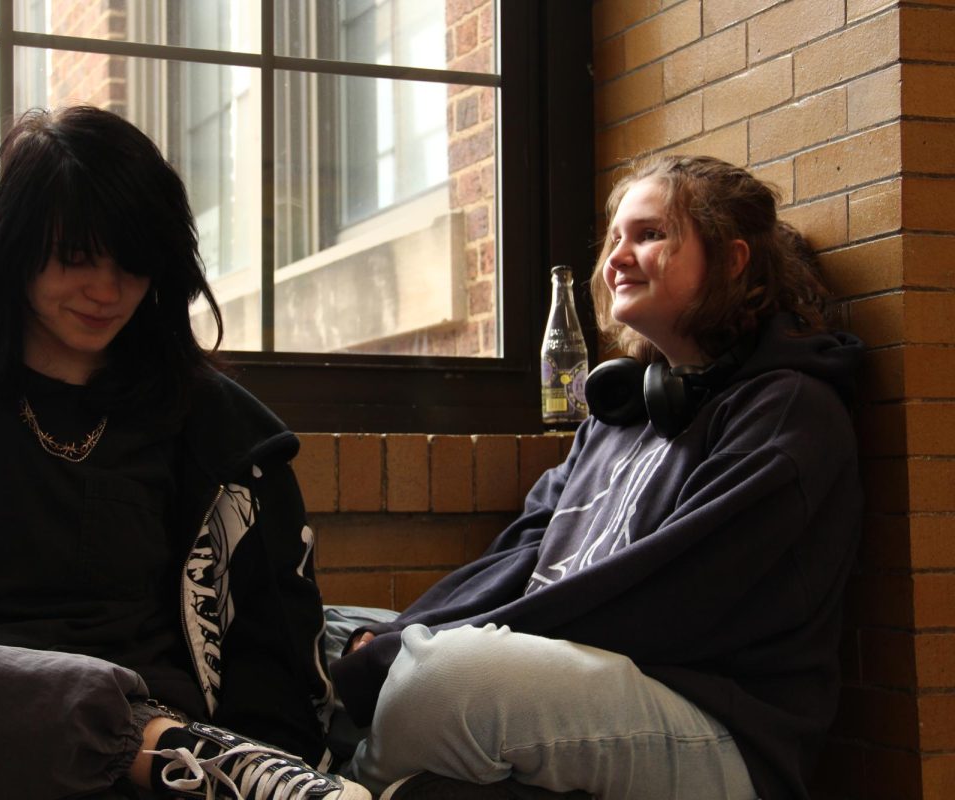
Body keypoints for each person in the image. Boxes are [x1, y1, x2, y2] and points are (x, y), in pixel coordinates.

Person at [0, 105, 369, 800]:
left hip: (161, 771)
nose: (106, 291)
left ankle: (147, 743)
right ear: (14, 247)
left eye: (133, 263)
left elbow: (279, 670)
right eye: (76, 257)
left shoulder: (220, 432)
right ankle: (142, 741)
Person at [329, 155, 864, 800]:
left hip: (716, 729)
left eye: (650, 235)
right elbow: (515, 559)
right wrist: (388, 639)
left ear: (734, 259)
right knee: (322, 628)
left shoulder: (786, 413)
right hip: (584, 680)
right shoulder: (617, 417)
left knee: (438, 679)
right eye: (615, 238)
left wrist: (404, 658)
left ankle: (336, 788)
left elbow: (662, 600)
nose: (618, 257)